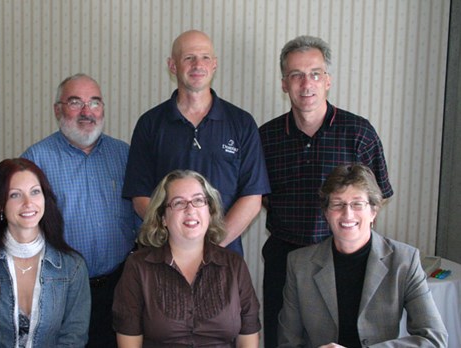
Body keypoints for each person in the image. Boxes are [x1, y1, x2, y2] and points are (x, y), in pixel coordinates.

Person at [258, 35, 394, 347]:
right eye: (296, 75)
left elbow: (378, 195)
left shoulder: (358, 132)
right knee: (283, 340)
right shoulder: (265, 137)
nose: (307, 84)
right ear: (284, 84)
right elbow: (259, 197)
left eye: (315, 73)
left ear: (328, 80)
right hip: (285, 256)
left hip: (345, 257)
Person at [123, 30, 270, 256]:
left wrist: (212, 247)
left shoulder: (241, 123)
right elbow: (140, 196)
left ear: (214, 65)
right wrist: (179, 243)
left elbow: (252, 198)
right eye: (189, 58)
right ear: (172, 66)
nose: (198, 64)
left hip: (224, 256)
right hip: (164, 257)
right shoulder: (150, 124)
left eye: (205, 57)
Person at [21, 73, 138, 347]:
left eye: (95, 103)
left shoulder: (125, 155)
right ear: (57, 110)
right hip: (59, 291)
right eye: (76, 102)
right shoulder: (35, 161)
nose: (87, 112)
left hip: (118, 287)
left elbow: (143, 219)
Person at [277, 163, 447, 347]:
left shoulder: (404, 260)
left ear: (373, 211)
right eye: (337, 204)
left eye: (357, 204)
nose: (347, 214)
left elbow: (434, 339)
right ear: (326, 213)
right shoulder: (299, 263)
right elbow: (288, 342)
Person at [0, 158, 91, 346]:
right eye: (15, 195)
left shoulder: (73, 267)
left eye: (35, 192)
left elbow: (73, 339)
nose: (28, 203)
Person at [113, 169, 261, 347]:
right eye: (178, 203)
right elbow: (129, 339)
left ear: (210, 211)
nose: (190, 209)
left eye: (199, 200)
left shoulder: (234, 264)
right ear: (163, 218)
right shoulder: (138, 266)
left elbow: (248, 335)